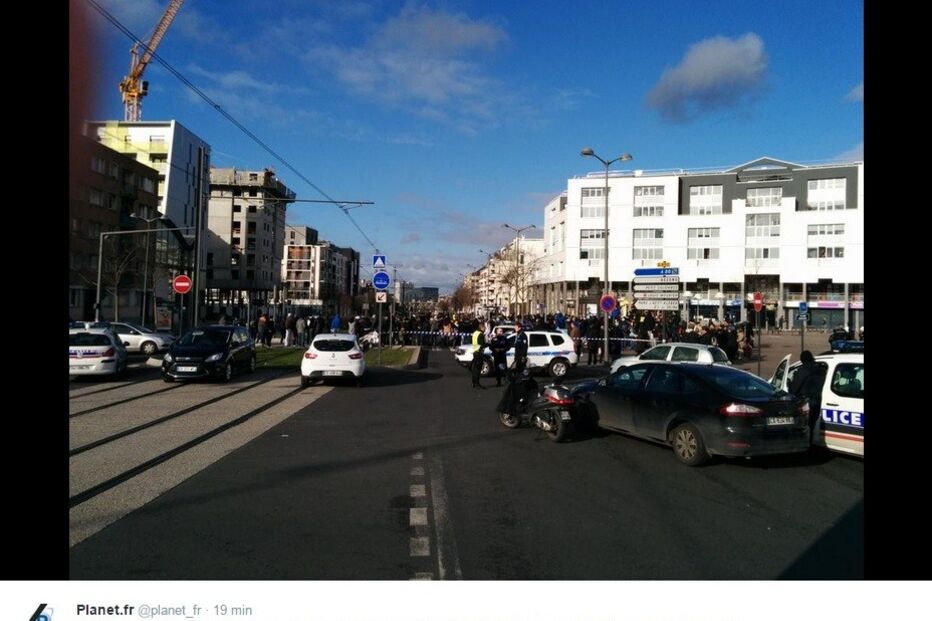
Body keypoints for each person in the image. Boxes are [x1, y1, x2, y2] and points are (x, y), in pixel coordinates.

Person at [788, 350, 826, 435]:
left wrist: (790, 384)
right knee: (812, 426)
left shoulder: (802, 371)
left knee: (804, 429)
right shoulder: (820, 370)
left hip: (807, 404)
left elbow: (794, 389)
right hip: (818, 401)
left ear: (802, 360)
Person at [470, 321, 487, 388]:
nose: (485, 328)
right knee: (478, 369)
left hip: (475, 352)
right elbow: (482, 344)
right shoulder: (480, 334)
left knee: (474, 369)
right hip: (479, 353)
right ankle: (477, 383)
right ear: (482, 327)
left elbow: (472, 342)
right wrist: (487, 344)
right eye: (484, 327)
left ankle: (474, 383)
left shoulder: (475, 333)